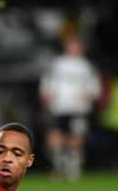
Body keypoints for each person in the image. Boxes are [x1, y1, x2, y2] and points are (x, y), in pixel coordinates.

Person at [39, 35, 101, 181]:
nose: (73, 47)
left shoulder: (87, 66)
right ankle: (58, 166)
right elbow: (47, 82)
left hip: (78, 108)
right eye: (71, 44)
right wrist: (46, 95)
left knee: (76, 137)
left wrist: (88, 95)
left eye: (76, 44)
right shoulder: (57, 64)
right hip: (59, 107)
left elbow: (95, 88)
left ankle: (73, 168)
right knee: (55, 137)